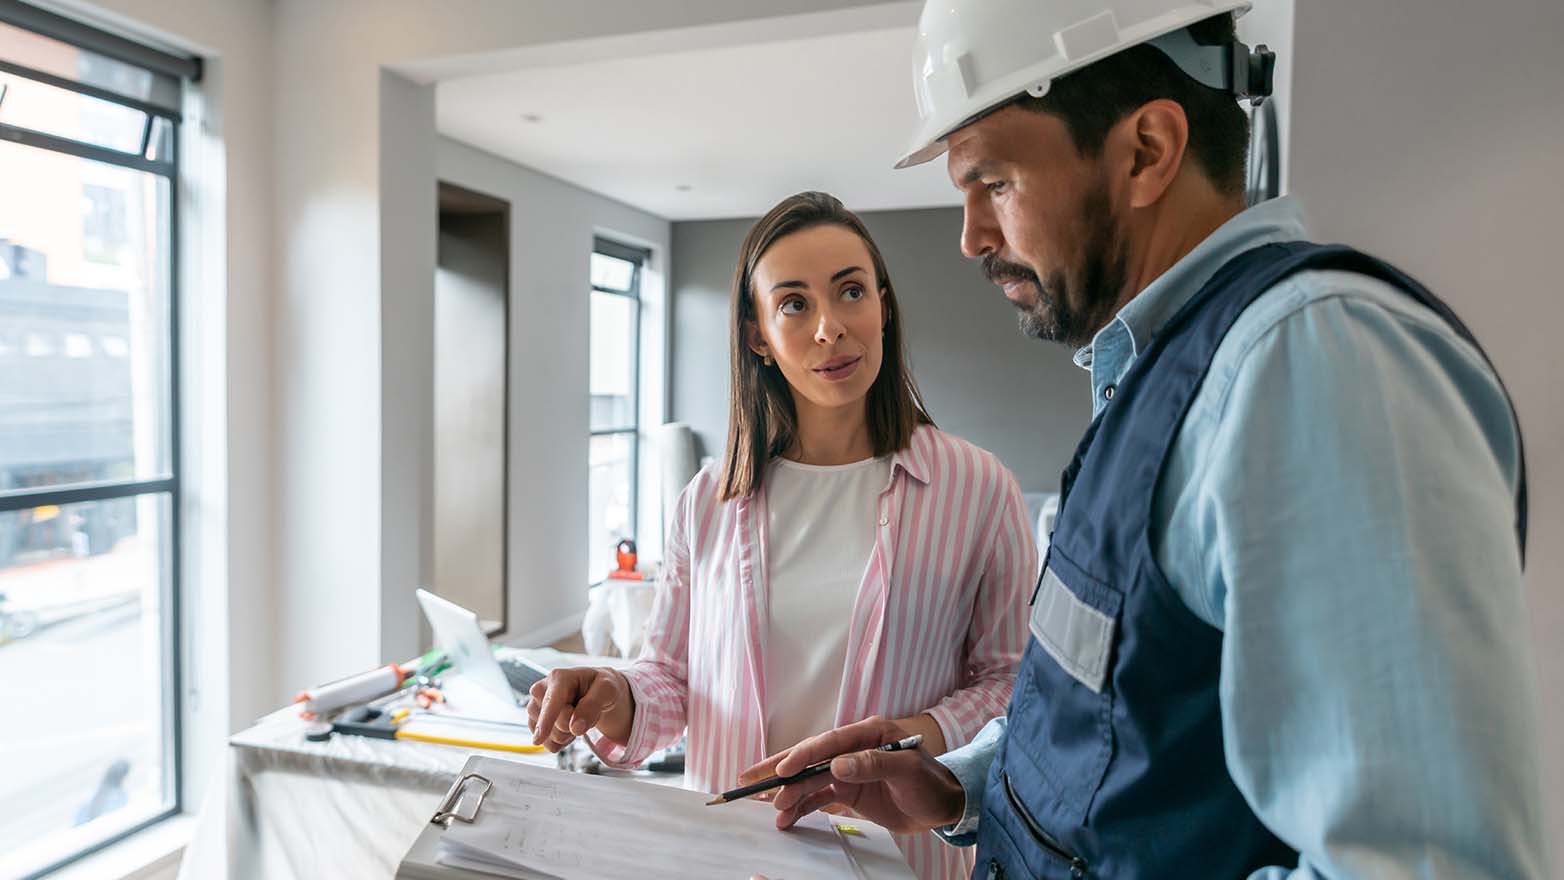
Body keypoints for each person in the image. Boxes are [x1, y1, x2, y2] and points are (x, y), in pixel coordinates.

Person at [748, 2, 1550, 878]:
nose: (972, 236)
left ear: (1147, 151)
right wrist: (959, 785)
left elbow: (1420, 866)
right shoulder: (1161, 379)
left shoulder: (1312, 366)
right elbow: (1116, 717)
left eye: (996, 183)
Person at [529, 192, 1036, 879]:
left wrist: (911, 741)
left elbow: (1010, 682)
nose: (831, 328)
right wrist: (610, 695)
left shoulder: (979, 489)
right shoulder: (707, 500)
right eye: (795, 304)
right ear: (757, 334)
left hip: (900, 862)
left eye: (851, 291)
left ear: (882, 304)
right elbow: (671, 678)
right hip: (731, 859)